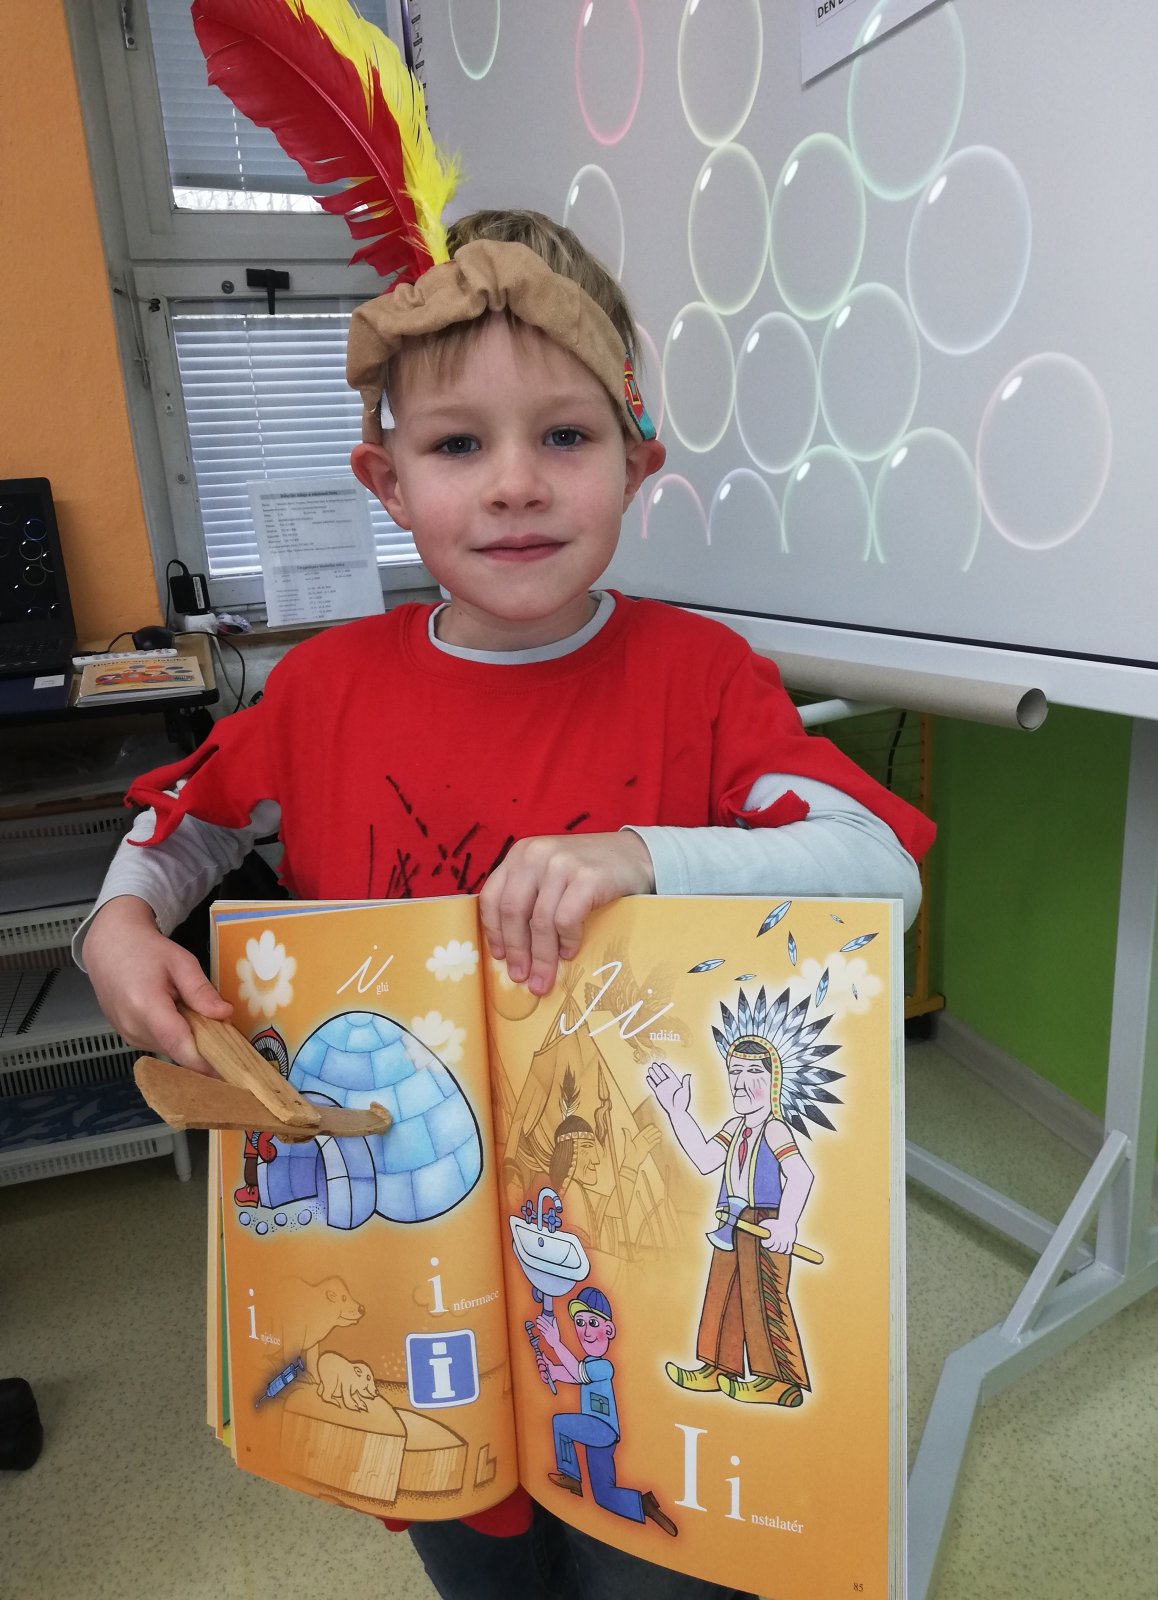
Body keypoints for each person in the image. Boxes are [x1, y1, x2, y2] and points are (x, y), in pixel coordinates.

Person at [77, 207, 934, 1600]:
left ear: (637, 459)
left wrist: (647, 854)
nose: (517, 485)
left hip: (632, 1283)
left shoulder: (702, 678)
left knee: (650, 1565)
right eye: (460, 445)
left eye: (567, 436)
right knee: (480, 1562)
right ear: (387, 478)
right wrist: (117, 919)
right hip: (417, 1266)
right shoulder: (325, 686)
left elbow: (879, 865)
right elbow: (189, 820)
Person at [649, 985, 839, 1408]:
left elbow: (801, 1174)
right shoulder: (734, 1128)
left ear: (773, 1081)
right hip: (731, 1224)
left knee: (763, 1300)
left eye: (753, 1072)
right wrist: (677, 1111)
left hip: (764, 1223)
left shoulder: (775, 1129)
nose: (740, 1082)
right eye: (734, 1071)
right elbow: (704, 1160)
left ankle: (780, 1381)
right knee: (723, 1292)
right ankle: (719, 1368)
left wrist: (787, 1223)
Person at [534, 1285, 677, 1536]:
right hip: (597, 1435)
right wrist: (550, 1369)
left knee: (560, 1423)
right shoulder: (588, 1363)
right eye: (580, 1323)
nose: (586, 1331)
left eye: (593, 1323)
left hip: (602, 1430)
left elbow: (578, 1373)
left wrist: (556, 1344)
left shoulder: (604, 1367)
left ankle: (571, 1475)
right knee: (603, 1495)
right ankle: (643, 1504)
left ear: (609, 1329)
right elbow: (570, 1374)